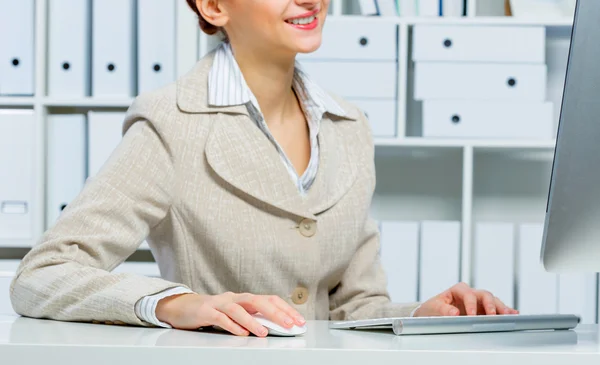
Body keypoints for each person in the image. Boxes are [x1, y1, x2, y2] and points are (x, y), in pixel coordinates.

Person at [9, 0, 517, 338]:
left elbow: (353, 310)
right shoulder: (171, 122)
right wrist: (172, 304)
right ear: (214, 6)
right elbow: (42, 274)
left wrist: (421, 317)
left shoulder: (349, 125)